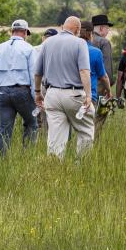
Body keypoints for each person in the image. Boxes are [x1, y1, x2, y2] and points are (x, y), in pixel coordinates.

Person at [34, 16, 95, 157]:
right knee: (85, 131)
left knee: (55, 137)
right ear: (77, 30)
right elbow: (84, 71)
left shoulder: (48, 43)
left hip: (52, 94)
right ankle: (81, 166)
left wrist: (37, 92)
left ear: (63, 27)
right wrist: (89, 95)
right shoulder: (80, 43)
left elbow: (37, 72)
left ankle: (54, 167)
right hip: (74, 94)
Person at [0, 19, 39, 155]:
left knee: (4, 128)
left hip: (2, 91)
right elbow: (33, 75)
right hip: (21, 91)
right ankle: (27, 154)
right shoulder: (29, 49)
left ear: (12, 31)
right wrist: (35, 96)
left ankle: (3, 158)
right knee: (31, 123)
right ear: (25, 32)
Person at [78, 21, 112, 121]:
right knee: (88, 130)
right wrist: (109, 91)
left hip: (70, 94)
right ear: (90, 34)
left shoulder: (70, 49)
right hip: (89, 95)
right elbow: (104, 76)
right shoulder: (96, 51)